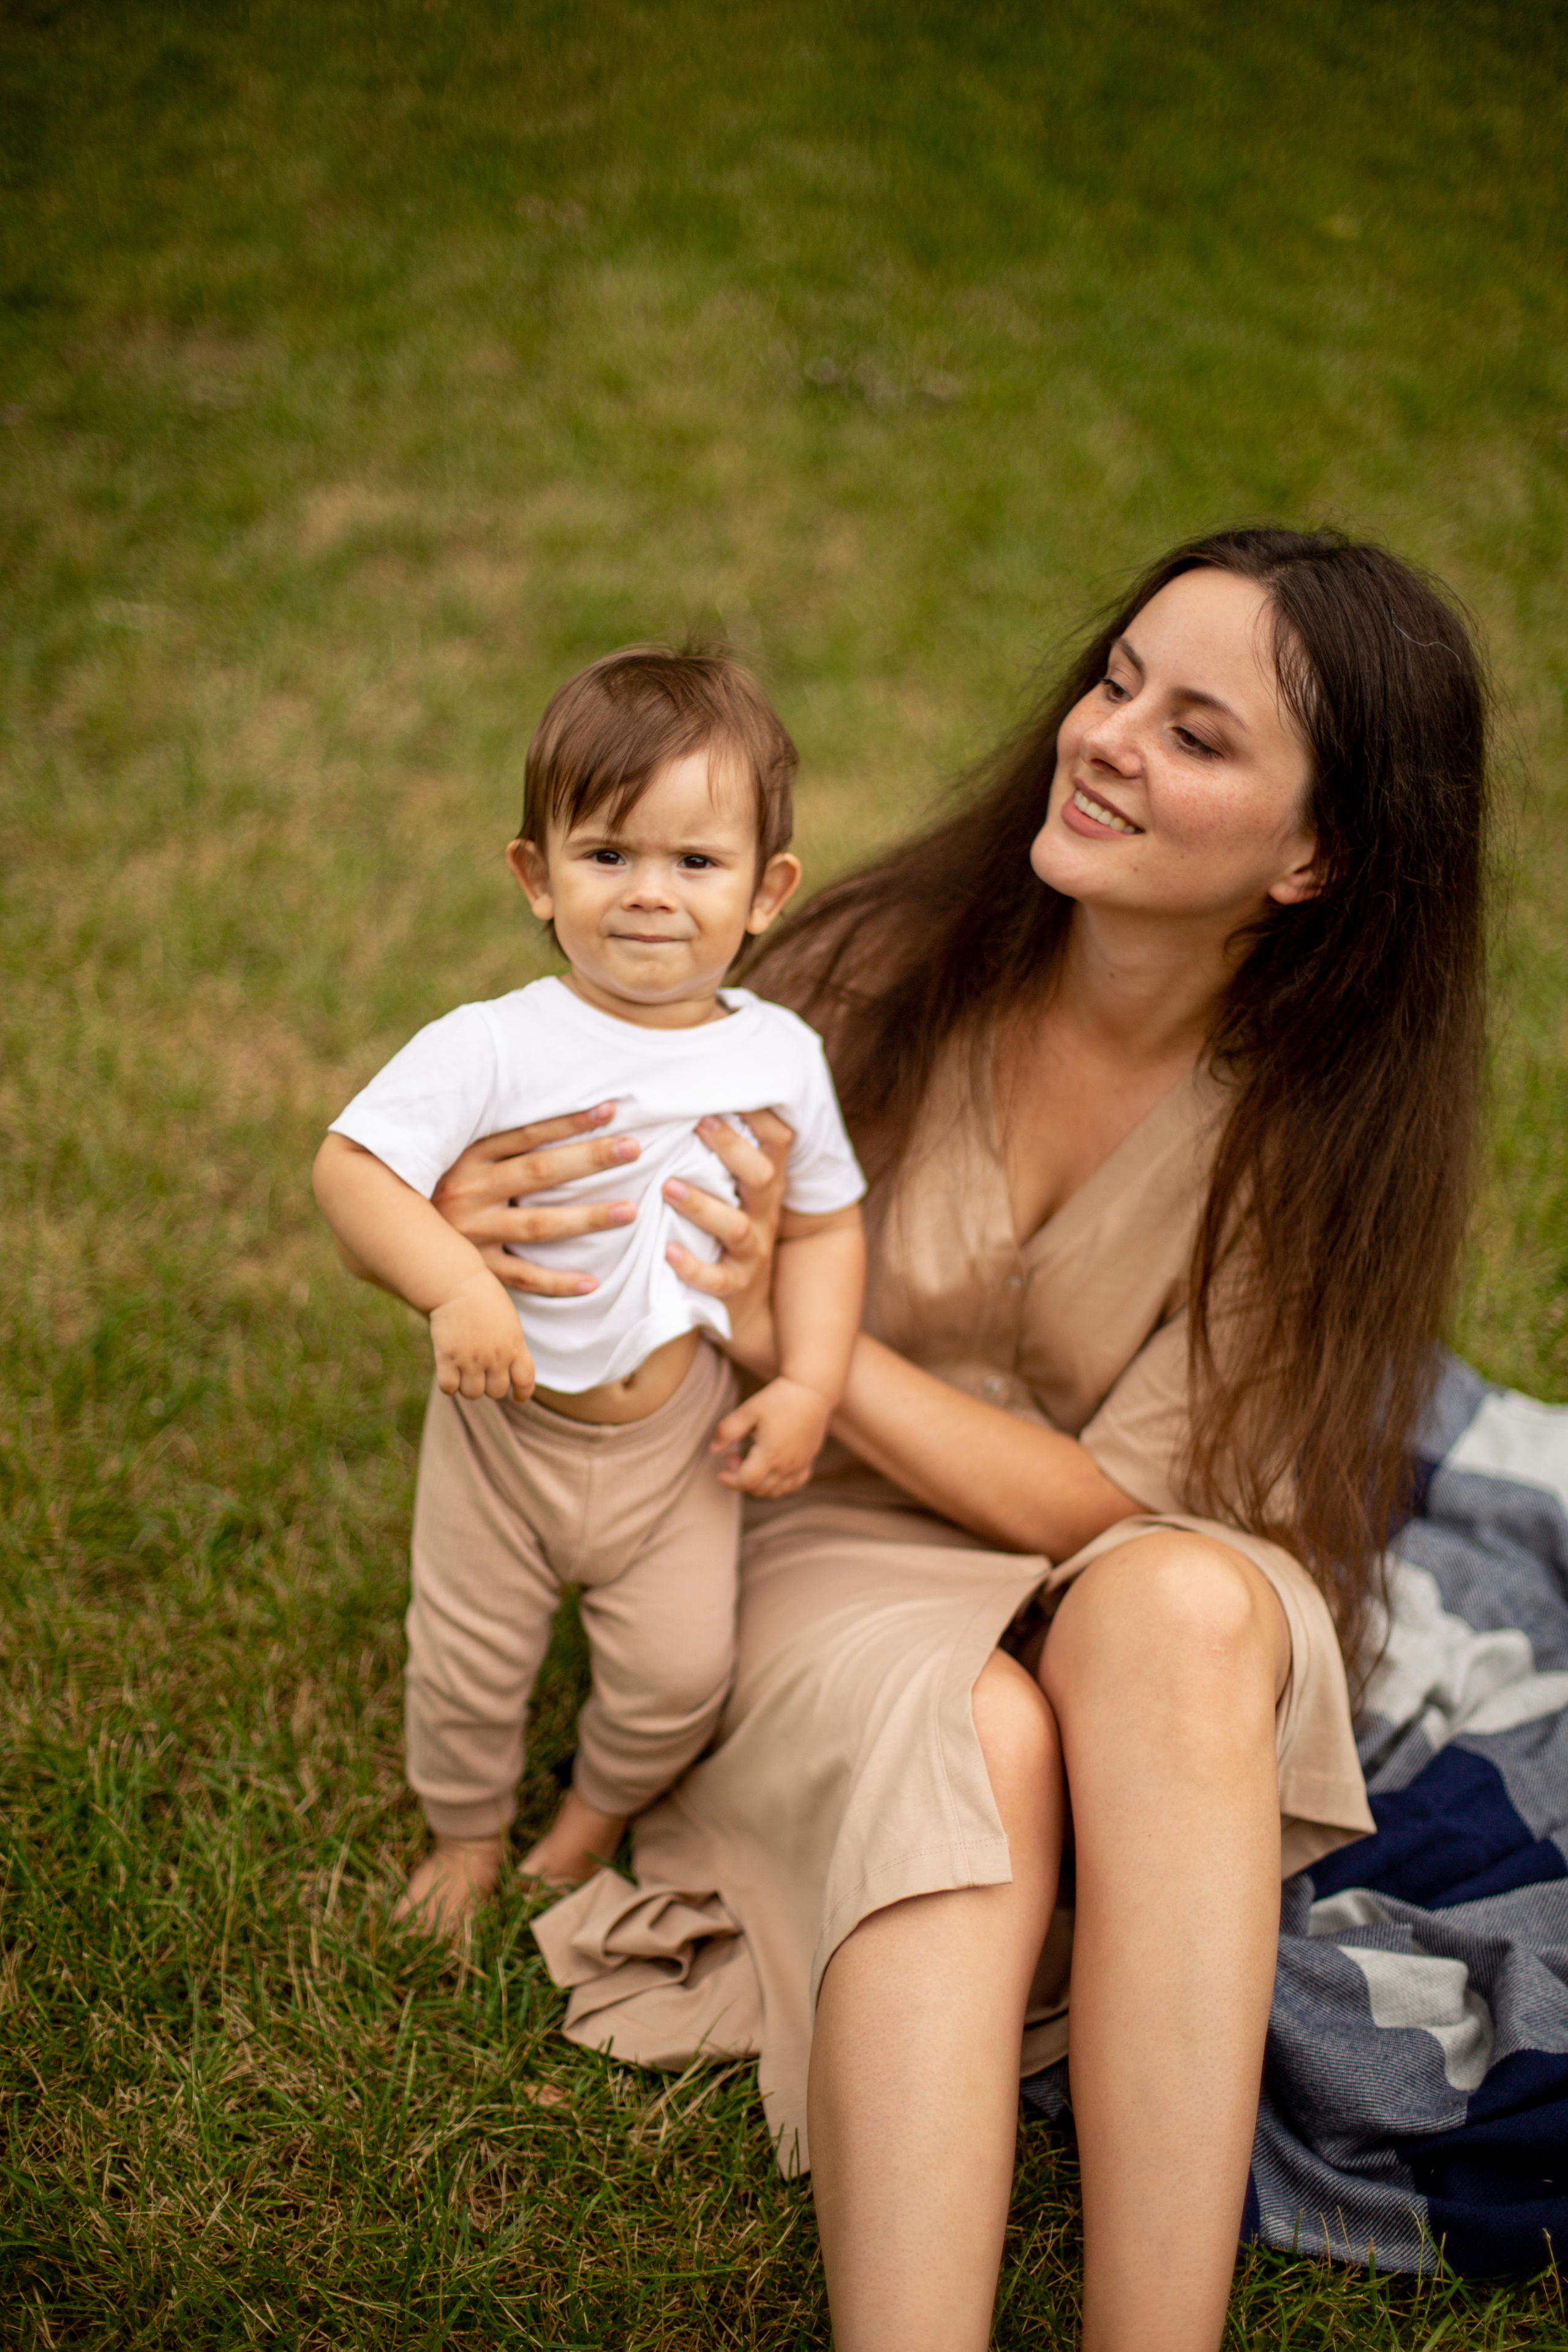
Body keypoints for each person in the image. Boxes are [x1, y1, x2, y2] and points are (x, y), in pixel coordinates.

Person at [419, 529, 1490, 2351]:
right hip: (810, 1545)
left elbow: (1119, 1509)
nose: (1108, 736)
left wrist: (797, 1333)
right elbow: (582, 1195)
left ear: (1314, 856)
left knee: (1185, 1605)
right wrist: (488, 1212)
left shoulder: (1318, 1129)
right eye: (1118, 681)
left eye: (1196, 734)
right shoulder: (873, 965)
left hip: (1141, 1641)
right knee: (979, 1735)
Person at [313, 646, 865, 1926]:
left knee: (679, 1672)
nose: (650, 894)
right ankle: (464, 1836)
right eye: (608, 854)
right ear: (536, 876)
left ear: (767, 892)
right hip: (506, 1432)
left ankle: (593, 1816)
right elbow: (351, 1171)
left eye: (697, 861)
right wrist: (458, 1288)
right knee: (467, 1660)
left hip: (679, 1445)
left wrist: (811, 1385)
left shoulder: (782, 1057)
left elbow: (829, 1224)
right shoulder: (494, 1044)